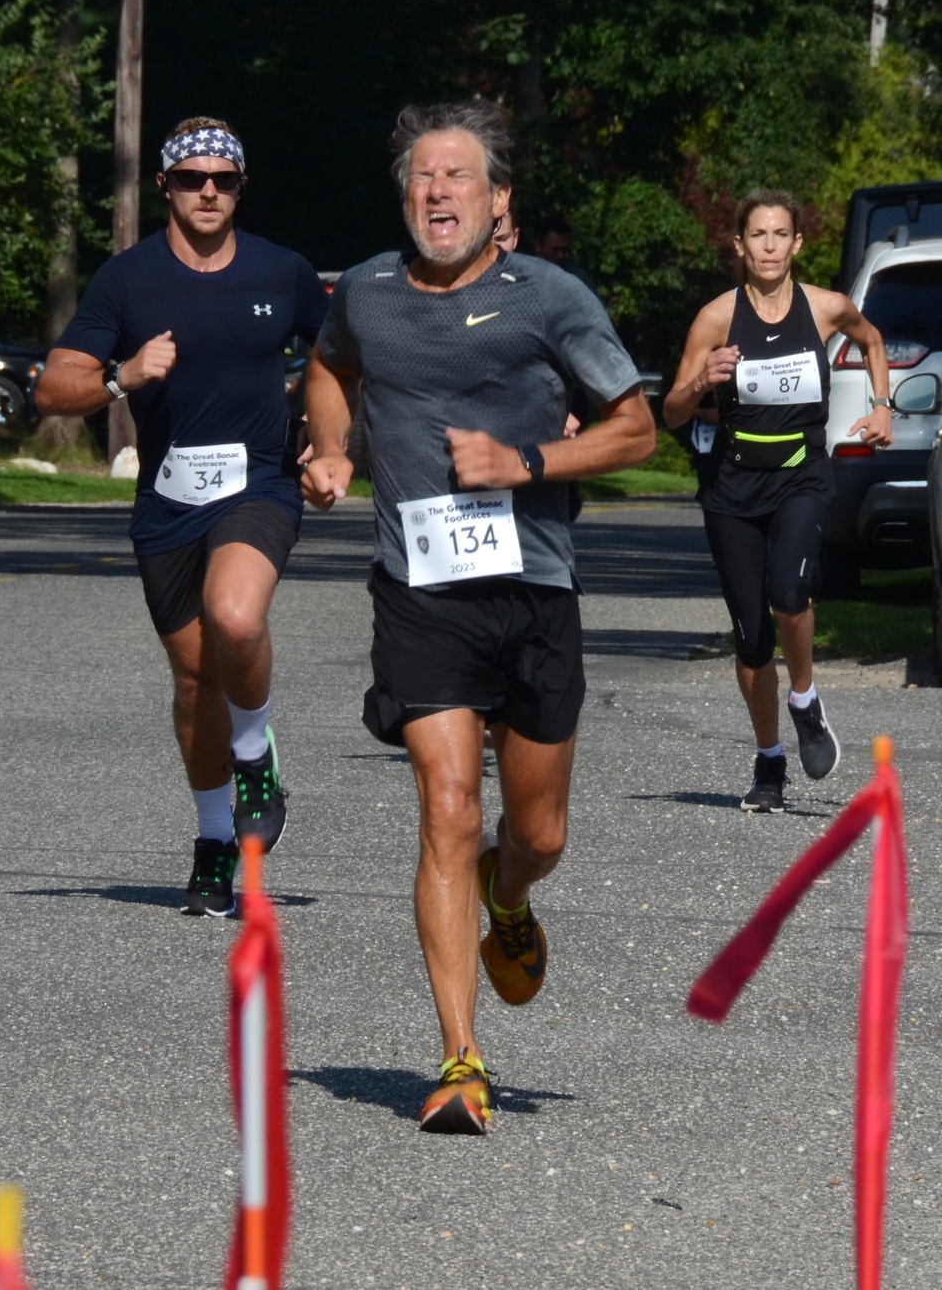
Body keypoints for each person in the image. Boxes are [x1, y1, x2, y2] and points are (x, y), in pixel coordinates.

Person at [301, 101, 656, 1135]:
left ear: (499, 200)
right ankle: (461, 1057)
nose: (438, 193)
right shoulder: (364, 291)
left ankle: (512, 892)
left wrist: (527, 462)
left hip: (534, 587)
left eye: (459, 177)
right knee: (448, 806)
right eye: (422, 178)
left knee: (534, 830)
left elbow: (637, 429)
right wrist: (332, 448)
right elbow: (331, 364)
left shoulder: (549, 297)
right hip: (419, 590)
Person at [37, 117, 330, 917]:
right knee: (196, 677)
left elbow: (343, 356)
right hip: (167, 500)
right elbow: (52, 388)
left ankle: (254, 751)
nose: (209, 191)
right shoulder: (128, 281)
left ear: (241, 188)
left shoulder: (283, 269)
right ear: (164, 186)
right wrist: (122, 376)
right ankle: (212, 842)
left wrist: (326, 441)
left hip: (258, 485)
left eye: (224, 180)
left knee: (235, 617)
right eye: (193, 178)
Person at [661, 189, 891, 813]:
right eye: (757, 235)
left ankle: (805, 698)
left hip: (802, 477)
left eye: (779, 234)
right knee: (751, 640)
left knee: (790, 597)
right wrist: (702, 381)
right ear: (739, 245)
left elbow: (871, 341)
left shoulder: (825, 307)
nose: (769, 246)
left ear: (797, 243)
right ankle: (769, 763)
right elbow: (672, 410)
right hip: (733, 490)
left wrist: (882, 407)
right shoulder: (715, 318)